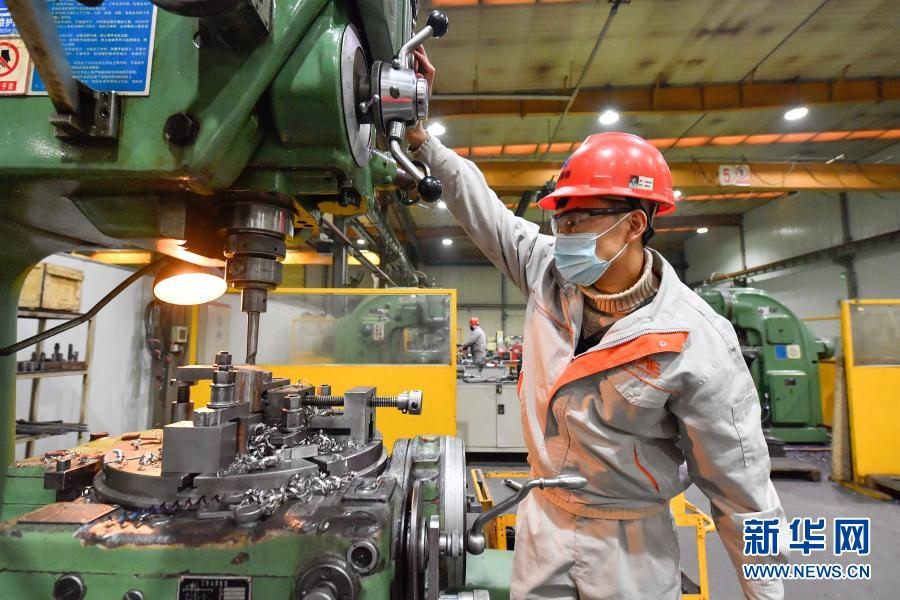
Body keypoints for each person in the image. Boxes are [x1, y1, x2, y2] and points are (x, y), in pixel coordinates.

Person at [407, 48, 789, 600]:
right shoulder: (547, 271)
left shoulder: (696, 342)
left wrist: (765, 595)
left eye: (578, 220)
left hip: (630, 548)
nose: (561, 234)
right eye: (559, 219)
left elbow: (744, 495)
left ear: (634, 224)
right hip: (543, 525)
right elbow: (482, 206)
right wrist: (422, 138)